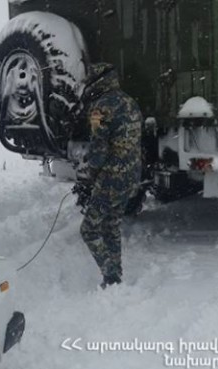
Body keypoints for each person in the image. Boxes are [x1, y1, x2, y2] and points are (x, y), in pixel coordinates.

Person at [78, 63, 142, 289]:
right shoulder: (129, 102)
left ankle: (111, 273)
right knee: (112, 225)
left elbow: (98, 151)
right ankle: (115, 276)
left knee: (88, 229)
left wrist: (88, 174)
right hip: (131, 176)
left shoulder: (101, 108)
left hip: (111, 178)